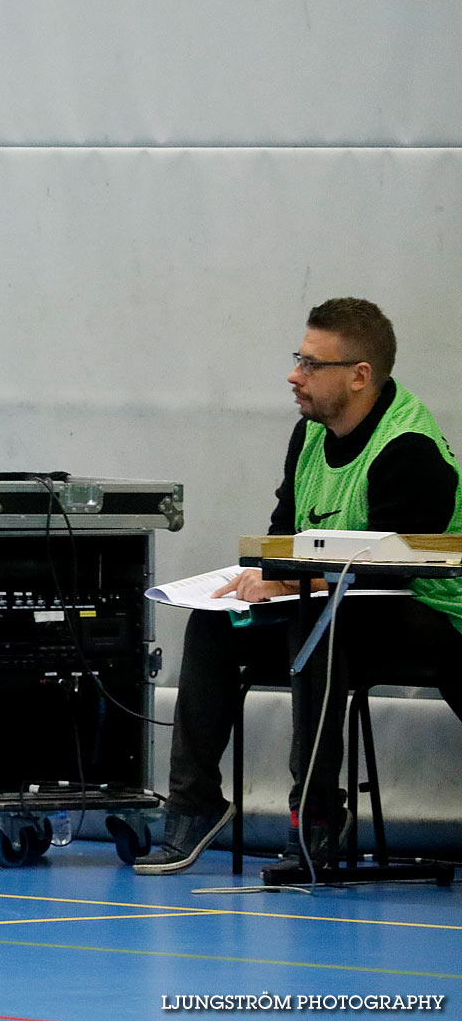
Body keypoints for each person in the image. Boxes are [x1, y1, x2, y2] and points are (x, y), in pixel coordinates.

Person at [135, 298, 462, 876]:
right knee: (216, 620)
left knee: (319, 625)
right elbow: (284, 535)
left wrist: (295, 580)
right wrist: (263, 579)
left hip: (432, 617)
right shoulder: (309, 434)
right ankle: (194, 803)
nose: (294, 376)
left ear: (360, 376)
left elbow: (396, 571)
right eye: (297, 359)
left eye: (312, 364)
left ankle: (315, 817)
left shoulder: (410, 450)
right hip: (338, 608)